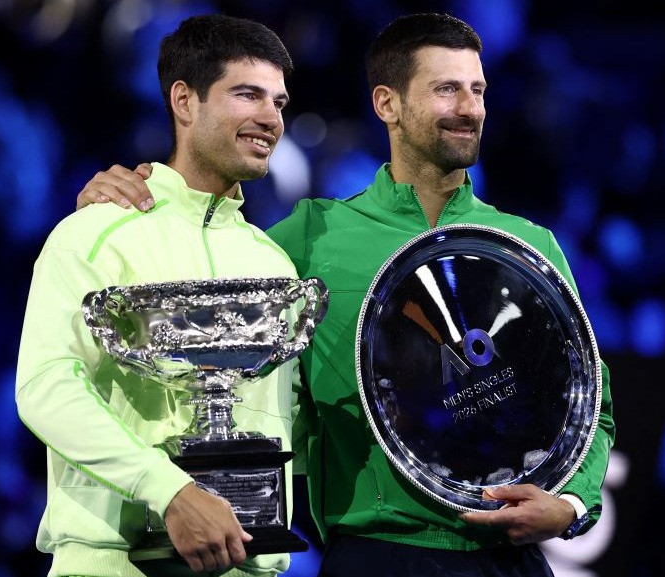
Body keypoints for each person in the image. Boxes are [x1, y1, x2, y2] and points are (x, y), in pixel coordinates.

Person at [77, 13, 615, 577]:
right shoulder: (311, 237)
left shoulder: (528, 245)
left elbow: (590, 401)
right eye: (446, 89)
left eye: (477, 90)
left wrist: (571, 506)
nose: (469, 108)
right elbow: (202, 272)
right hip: (376, 555)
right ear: (387, 104)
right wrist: (138, 202)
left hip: (510, 559)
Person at [15, 14, 302, 577]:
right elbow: (45, 386)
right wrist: (170, 491)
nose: (271, 118)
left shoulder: (273, 264)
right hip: (117, 563)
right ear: (184, 101)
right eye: (248, 95)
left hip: (250, 567)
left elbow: (287, 424)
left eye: (279, 102)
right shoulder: (96, 232)